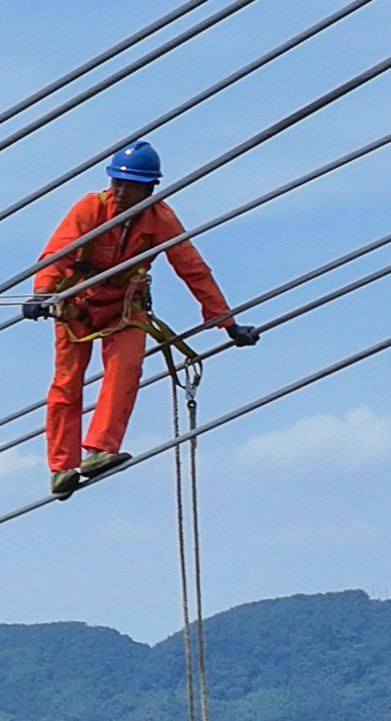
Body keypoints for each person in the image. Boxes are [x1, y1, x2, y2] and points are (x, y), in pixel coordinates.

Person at [24, 140, 246, 498]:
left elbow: (193, 270)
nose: (122, 192)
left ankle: (100, 450)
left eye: (132, 185)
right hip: (78, 305)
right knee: (67, 383)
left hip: (125, 307)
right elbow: (57, 253)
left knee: (126, 367)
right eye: (118, 183)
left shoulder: (161, 220)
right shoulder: (90, 208)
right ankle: (62, 468)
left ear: (150, 188)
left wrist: (227, 323)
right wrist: (42, 292)